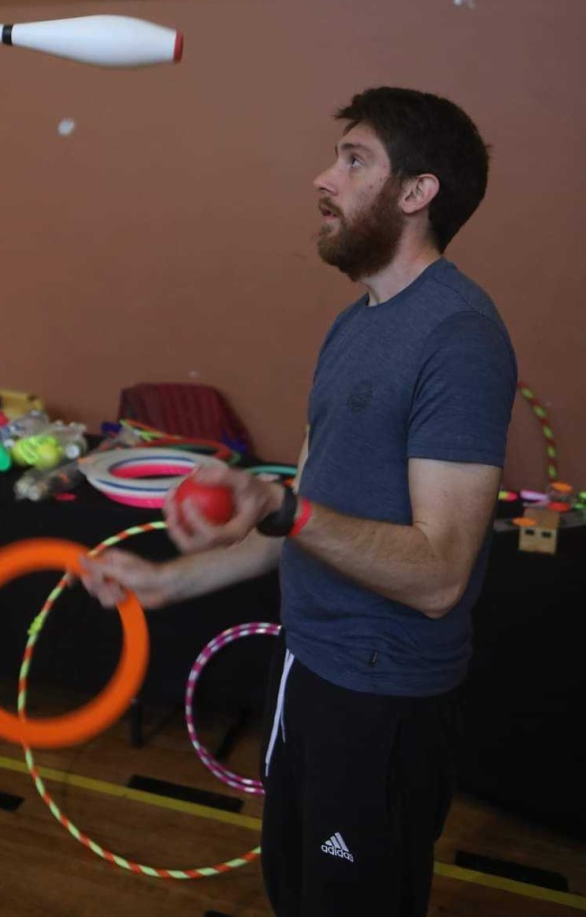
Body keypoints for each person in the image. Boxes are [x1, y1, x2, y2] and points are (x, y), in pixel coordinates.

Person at [81, 87, 517, 917]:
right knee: (297, 894)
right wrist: (168, 581)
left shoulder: (458, 338)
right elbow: (302, 520)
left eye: (354, 161)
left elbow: (436, 576)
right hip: (309, 668)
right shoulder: (355, 325)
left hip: (382, 698)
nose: (324, 176)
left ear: (417, 193)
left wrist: (281, 507)